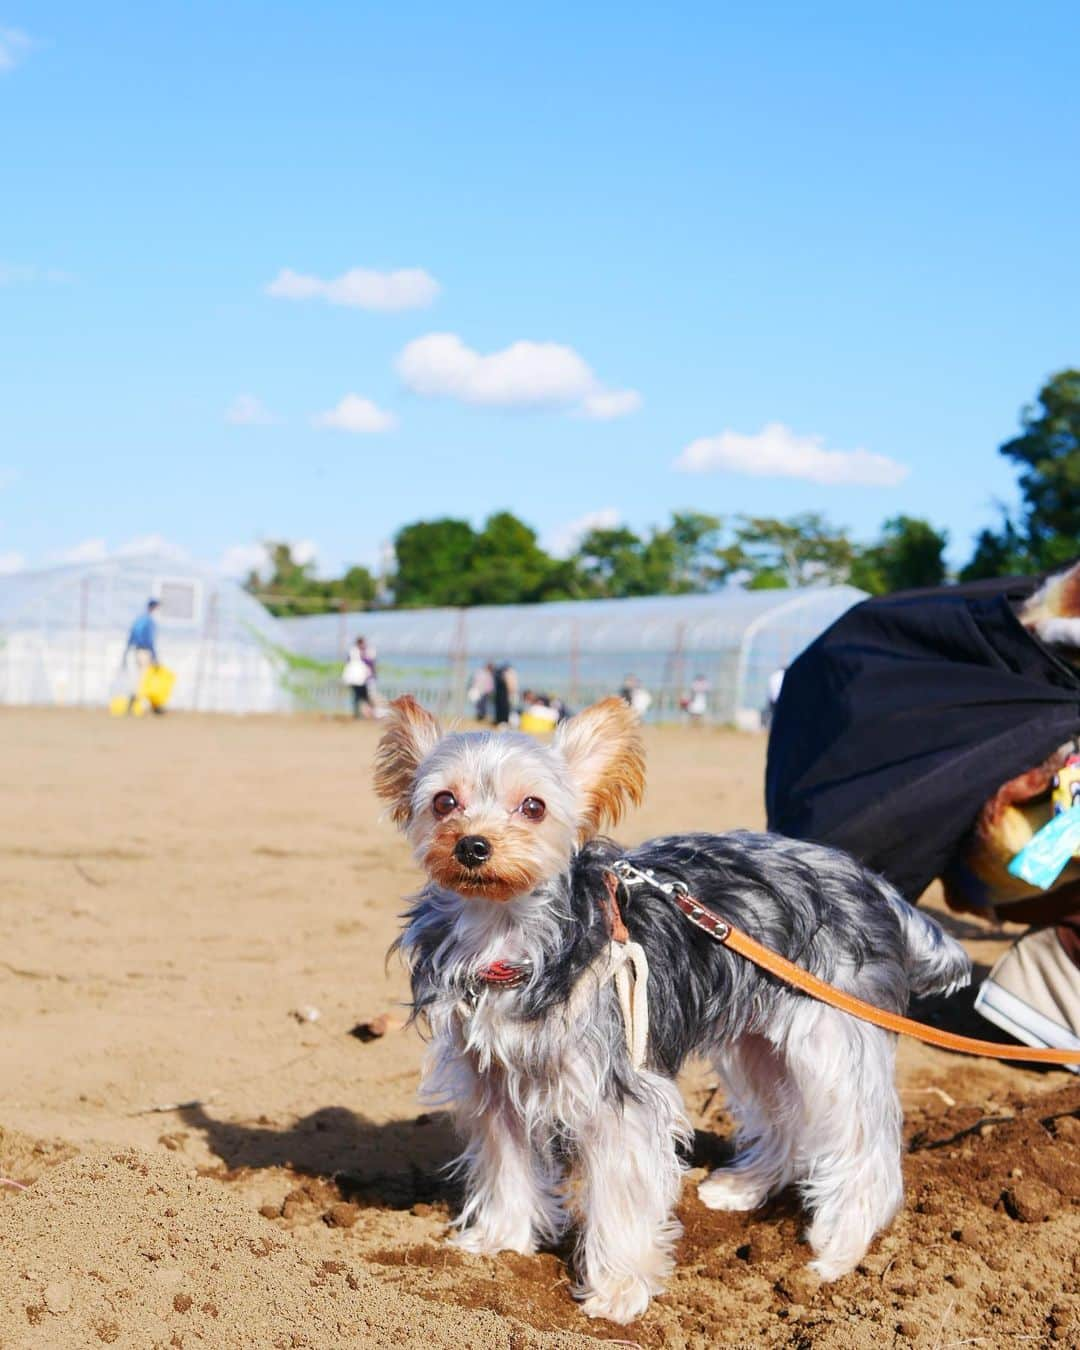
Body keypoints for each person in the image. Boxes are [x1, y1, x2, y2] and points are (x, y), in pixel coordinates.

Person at [125, 599, 162, 713]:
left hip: (137, 651)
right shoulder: (149, 621)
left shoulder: (140, 619)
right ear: (154, 608)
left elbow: (132, 635)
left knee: (143, 677)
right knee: (145, 678)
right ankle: (144, 705)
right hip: (145, 651)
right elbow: (149, 640)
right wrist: (155, 656)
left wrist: (127, 650)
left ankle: (153, 706)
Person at [342, 635, 375, 720]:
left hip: (360, 679)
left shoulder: (356, 652)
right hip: (356, 679)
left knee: (362, 697)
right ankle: (360, 714)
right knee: (359, 697)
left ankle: (363, 714)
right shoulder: (357, 652)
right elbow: (369, 664)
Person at [492, 661, 517, 727]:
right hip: (506, 694)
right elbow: (511, 685)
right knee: (506, 708)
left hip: (503, 694)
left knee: (504, 707)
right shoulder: (508, 674)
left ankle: (503, 721)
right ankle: (504, 721)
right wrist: (512, 691)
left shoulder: (499, 674)